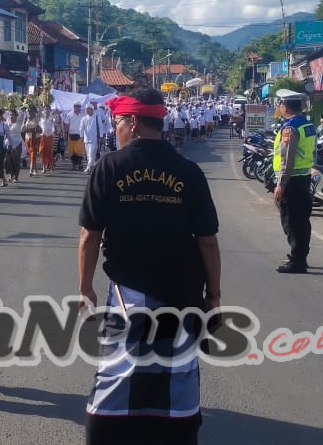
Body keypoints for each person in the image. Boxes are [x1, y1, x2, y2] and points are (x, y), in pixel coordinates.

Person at [79, 88, 222, 444]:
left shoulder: (109, 167)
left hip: (129, 288)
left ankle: (105, 435)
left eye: (117, 122)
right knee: (179, 369)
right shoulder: (188, 171)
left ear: (132, 121)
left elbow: (90, 235)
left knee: (119, 367)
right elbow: (207, 240)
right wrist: (214, 296)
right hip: (183, 290)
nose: (115, 129)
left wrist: (85, 288)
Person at [272, 90, 315, 274]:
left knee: (291, 221)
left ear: (285, 106)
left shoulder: (290, 127)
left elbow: (287, 158)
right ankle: (301, 257)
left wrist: (281, 183)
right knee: (302, 220)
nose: (280, 107)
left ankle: (297, 260)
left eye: (280, 104)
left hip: (292, 181)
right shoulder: (307, 124)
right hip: (304, 177)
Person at [79, 104, 101, 172]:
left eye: (88, 108)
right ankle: (93, 168)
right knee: (89, 155)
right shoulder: (84, 118)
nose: (87, 110)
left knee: (91, 154)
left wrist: (101, 136)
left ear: (92, 109)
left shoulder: (97, 117)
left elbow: (100, 127)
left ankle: (88, 167)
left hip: (94, 139)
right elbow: (81, 128)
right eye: (86, 109)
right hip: (86, 139)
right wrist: (81, 136)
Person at [64, 102, 85, 170]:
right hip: (71, 135)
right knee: (72, 151)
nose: (76, 108)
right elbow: (66, 124)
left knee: (79, 151)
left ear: (80, 107)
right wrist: (66, 133)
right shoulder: (69, 114)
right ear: (73, 107)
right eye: (75, 106)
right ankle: (73, 165)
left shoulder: (83, 114)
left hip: (80, 135)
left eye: (78, 106)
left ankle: (80, 164)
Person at [23, 109, 43, 177]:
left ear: (35, 112)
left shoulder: (36, 118)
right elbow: (22, 128)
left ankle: (31, 170)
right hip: (28, 138)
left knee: (33, 153)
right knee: (30, 153)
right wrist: (25, 127)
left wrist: (40, 103)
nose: (31, 113)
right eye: (29, 111)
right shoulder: (26, 118)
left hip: (35, 138)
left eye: (32, 111)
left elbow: (40, 111)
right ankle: (35, 169)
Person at [5, 109, 24, 183]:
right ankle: (11, 174)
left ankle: (16, 177)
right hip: (9, 143)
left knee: (16, 161)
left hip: (17, 143)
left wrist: (15, 106)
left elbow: (22, 114)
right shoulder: (8, 121)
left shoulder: (19, 121)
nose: (11, 116)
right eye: (10, 114)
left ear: (16, 115)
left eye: (13, 114)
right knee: (7, 161)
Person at [38, 107, 55, 174]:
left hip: (50, 136)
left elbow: (55, 122)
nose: (46, 110)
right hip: (43, 136)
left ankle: (51, 164)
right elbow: (39, 111)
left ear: (50, 110)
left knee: (49, 151)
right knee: (41, 151)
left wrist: (53, 118)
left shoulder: (52, 116)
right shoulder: (42, 116)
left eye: (48, 109)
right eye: (45, 109)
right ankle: (44, 168)